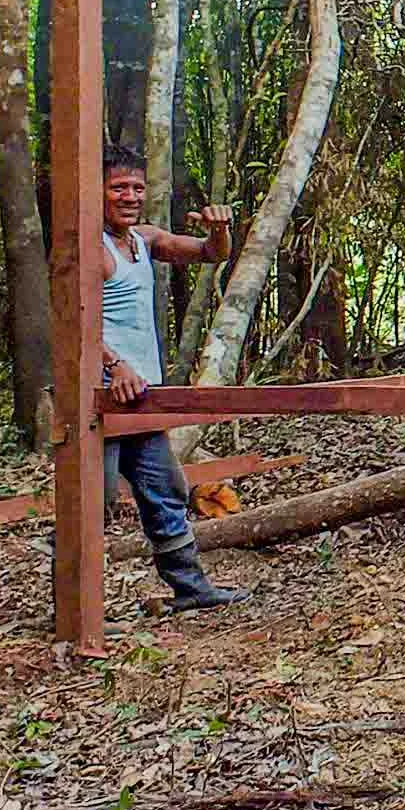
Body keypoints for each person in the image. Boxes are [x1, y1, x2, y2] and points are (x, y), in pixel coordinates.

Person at [99, 144, 251, 613]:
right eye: (118, 187)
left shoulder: (143, 241)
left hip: (141, 397)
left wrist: (221, 230)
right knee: (93, 502)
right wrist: (113, 365)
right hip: (100, 396)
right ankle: (72, 601)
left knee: (166, 490)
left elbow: (209, 254)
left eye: (137, 188)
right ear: (96, 193)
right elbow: (69, 323)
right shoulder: (89, 249)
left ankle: (190, 588)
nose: (129, 196)